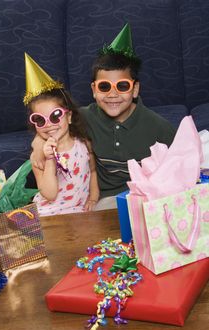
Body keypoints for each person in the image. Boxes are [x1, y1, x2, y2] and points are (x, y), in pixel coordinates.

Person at [31, 24, 176, 210]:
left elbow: (179, 161)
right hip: (105, 199)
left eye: (122, 86)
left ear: (135, 89)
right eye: (104, 87)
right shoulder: (84, 116)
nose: (113, 94)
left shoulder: (157, 126)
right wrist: (37, 146)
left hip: (144, 197)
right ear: (93, 90)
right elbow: (51, 123)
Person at [24, 53, 99, 216]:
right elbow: (50, 194)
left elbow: (92, 171)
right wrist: (50, 160)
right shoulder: (39, 157)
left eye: (55, 115)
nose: (49, 124)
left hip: (79, 210)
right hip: (50, 214)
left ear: (69, 116)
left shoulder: (83, 143)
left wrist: (93, 198)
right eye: (39, 119)